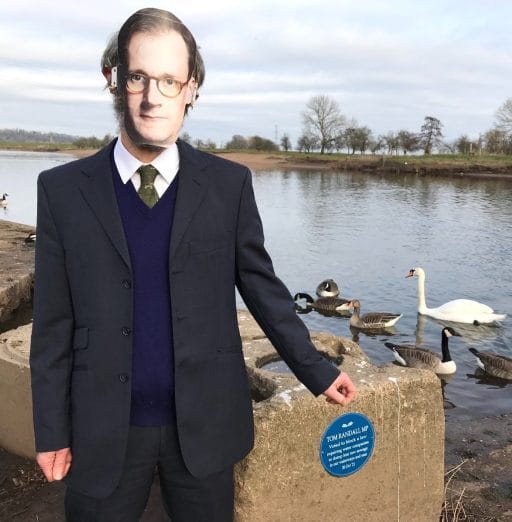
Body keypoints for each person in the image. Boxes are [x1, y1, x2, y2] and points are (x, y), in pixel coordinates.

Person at [30, 8, 356, 521]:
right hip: (101, 428)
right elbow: (52, 324)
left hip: (204, 426)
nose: (152, 96)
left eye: (169, 80)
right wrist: (52, 429)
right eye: (138, 77)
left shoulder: (228, 185)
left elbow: (263, 289)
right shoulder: (62, 191)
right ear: (113, 79)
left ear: (192, 90)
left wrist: (315, 368)